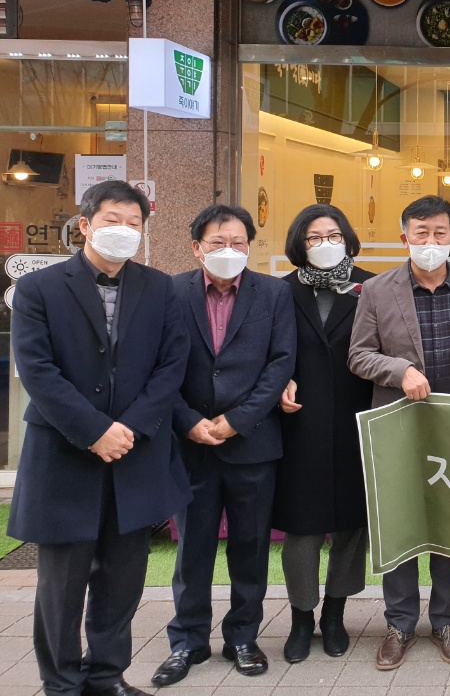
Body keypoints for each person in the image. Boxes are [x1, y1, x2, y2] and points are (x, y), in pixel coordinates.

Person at [8, 180, 190, 696]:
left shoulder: (161, 289)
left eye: (134, 223)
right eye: (113, 220)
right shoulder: (39, 289)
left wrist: (127, 429)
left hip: (135, 454)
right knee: (61, 585)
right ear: (86, 224)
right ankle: (62, 684)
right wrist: (94, 431)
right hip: (64, 455)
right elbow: (37, 371)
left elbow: (171, 366)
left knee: (123, 578)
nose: (124, 231)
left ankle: (107, 676)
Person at [153, 205, 296, 687]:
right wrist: (188, 421)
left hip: (252, 443)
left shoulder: (274, 293)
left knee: (250, 547)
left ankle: (243, 638)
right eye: (217, 243)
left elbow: (280, 363)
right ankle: (187, 641)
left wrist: (237, 420)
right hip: (191, 444)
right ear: (197, 247)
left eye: (238, 242)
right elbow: (158, 368)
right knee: (192, 549)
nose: (228, 251)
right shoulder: (170, 292)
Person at [348, 196, 450, 670]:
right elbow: (359, 354)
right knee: (403, 523)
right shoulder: (377, 290)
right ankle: (399, 623)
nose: (431, 241)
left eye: (440, 232)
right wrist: (400, 370)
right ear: (404, 237)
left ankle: (447, 620)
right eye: (421, 233)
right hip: (400, 425)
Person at [273, 205, 374, 664]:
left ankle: (335, 614)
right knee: (303, 528)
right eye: (313, 238)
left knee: (352, 525)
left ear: (348, 239)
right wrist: (278, 384)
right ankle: (301, 617)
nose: (324, 244)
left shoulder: (371, 287)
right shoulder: (280, 291)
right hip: (300, 424)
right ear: (300, 243)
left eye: (333, 235)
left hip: (358, 418)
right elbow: (267, 350)